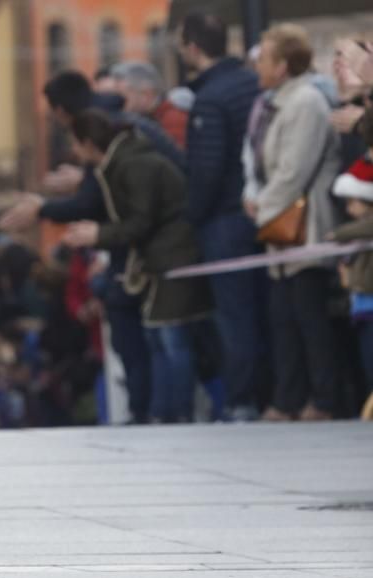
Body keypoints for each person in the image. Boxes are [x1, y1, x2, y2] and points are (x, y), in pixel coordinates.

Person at [63, 110, 213, 423]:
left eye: (76, 145)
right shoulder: (122, 163)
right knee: (159, 338)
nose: (75, 153)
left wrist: (98, 234)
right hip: (157, 257)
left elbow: (140, 221)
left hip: (173, 255)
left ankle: (178, 414)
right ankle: (164, 413)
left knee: (171, 339)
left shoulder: (133, 164)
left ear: (89, 143)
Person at [244, 25, 341, 422]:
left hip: (305, 227)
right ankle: (288, 398)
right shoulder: (279, 102)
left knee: (310, 319)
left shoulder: (305, 102)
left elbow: (293, 171)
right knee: (284, 319)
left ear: (282, 66)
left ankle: (324, 399)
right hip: (283, 230)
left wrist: (261, 207)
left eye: (265, 60)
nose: (258, 67)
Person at [178, 11, 268, 421]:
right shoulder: (251, 83)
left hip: (224, 221)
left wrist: (193, 216)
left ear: (192, 48)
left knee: (234, 318)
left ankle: (241, 401)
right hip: (258, 213)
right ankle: (267, 395)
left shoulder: (210, 98)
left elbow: (208, 169)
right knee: (263, 312)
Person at [331, 143, 373, 419]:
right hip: (361, 305)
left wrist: (337, 234)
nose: (348, 208)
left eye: (352, 201)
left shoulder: (363, 228)